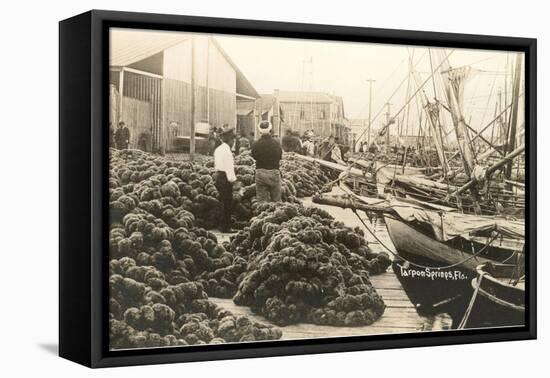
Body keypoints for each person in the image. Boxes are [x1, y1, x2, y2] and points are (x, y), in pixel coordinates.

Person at [214, 126, 238, 233]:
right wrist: (234, 181)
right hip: (225, 178)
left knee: (221, 201)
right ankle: (226, 227)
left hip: (218, 175)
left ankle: (220, 225)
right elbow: (229, 168)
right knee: (228, 203)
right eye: (233, 140)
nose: (234, 142)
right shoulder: (227, 152)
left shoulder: (218, 149)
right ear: (230, 140)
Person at [251, 121, 283, 202]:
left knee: (262, 202)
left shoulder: (256, 144)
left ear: (260, 131)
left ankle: (262, 212)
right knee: (276, 201)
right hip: (274, 172)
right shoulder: (276, 143)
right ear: (270, 129)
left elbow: (254, 156)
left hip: (260, 172)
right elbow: (279, 157)